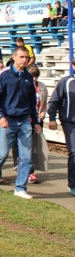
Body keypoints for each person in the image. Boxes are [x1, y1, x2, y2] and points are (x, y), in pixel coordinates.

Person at [0, 46, 41, 199]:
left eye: (26, 57)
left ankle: (20, 187)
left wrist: (35, 121)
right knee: (3, 153)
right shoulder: (4, 75)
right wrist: (0, 117)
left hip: (24, 119)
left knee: (26, 157)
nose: (24, 60)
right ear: (14, 57)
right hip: (7, 119)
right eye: (22, 57)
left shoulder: (28, 77)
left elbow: (32, 101)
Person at [47, 59, 75, 197]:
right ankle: (73, 184)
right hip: (70, 122)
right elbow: (54, 101)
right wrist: (52, 118)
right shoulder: (66, 82)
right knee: (74, 152)